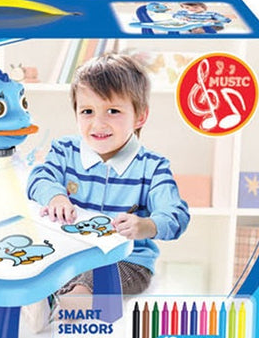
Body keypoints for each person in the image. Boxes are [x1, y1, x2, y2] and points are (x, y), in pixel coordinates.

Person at [27, 54, 190, 298]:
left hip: (128, 263)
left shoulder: (153, 167)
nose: (98, 123)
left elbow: (176, 214)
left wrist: (147, 226)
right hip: (70, 256)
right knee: (36, 272)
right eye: (87, 111)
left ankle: (69, 307)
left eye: (113, 111)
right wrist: (56, 197)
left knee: (88, 285)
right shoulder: (64, 151)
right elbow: (39, 178)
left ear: (140, 116)